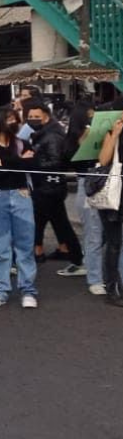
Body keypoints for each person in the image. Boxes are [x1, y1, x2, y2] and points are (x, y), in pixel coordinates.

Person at [0, 107, 39, 309]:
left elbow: (34, 165)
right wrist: (20, 161)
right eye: (10, 119)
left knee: (25, 246)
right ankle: (0, 290)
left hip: (21, 194)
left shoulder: (22, 142)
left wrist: (7, 162)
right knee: (1, 247)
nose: (14, 122)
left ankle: (28, 290)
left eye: (15, 119)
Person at [24, 101, 84, 273]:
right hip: (44, 186)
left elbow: (55, 162)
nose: (33, 120)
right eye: (30, 117)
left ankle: (76, 257)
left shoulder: (51, 136)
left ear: (46, 117)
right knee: (41, 220)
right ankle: (41, 251)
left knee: (60, 223)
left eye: (37, 117)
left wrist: (31, 160)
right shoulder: (41, 134)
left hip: (50, 186)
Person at [66, 103, 107, 295]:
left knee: (110, 234)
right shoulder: (74, 139)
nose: (93, 120)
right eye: (90, 117)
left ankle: (107, 273)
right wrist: (87, 137)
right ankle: (95, 278)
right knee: (93, 233)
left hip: (108, 182)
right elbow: (74, 160)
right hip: (88, 183)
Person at [95, 114, 123, 305]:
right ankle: (112, 288)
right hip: (116, 195)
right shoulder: (114, 131)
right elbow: (104, 160)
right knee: (114, 243)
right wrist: (115, 135)